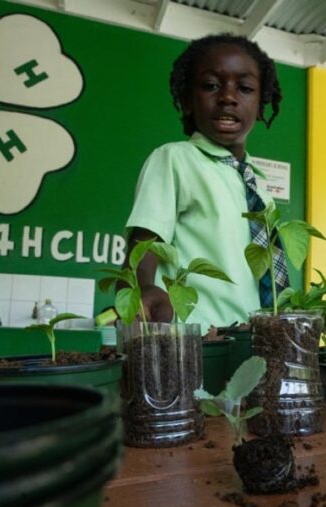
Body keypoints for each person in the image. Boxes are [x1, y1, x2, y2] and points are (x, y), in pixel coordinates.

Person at [120, 33, 285, 333]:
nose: (228, 97)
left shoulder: (258, 187)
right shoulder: (175, 159)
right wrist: (143, 288)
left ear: (261, 106)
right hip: (194, 339)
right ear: (186, 101)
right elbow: (146, 242)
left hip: (249, 338)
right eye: (211, 85)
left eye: (245, 88)